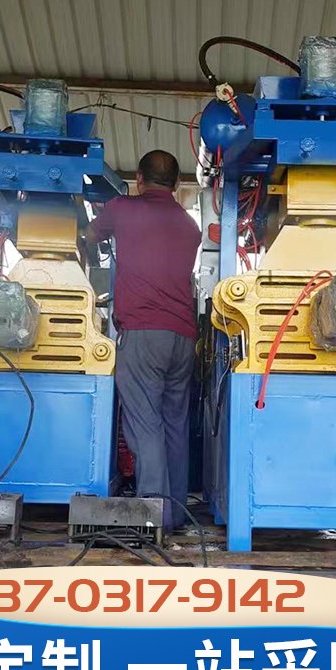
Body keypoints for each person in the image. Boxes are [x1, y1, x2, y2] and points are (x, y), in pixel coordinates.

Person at [86, 150, 201, 531]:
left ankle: (153, 517)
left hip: (143, 335)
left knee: (145, 422)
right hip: (183, 338)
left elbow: (90, 235)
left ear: (138, 179)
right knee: (174, 424)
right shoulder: (190, 226)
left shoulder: (122, 208)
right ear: (177, 184)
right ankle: (176, 513)